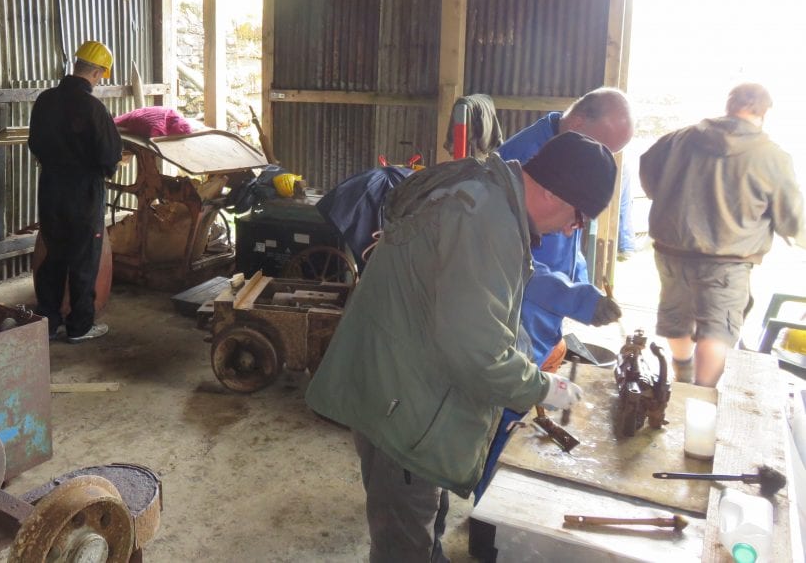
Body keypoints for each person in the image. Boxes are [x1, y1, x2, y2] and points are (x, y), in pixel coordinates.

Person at [305, 131, 618, 562]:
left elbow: (483, 303)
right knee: (403, 541)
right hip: (404, 405)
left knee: (423, 518)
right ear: (551, 190)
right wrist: (538, 387)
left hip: (401, 385)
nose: (572, 229)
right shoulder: (485, 219)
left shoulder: (490, 195)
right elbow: (477, 350)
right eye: (578, 217)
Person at [469, 88, 632, 503]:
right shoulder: (521, 165)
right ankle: (490, 514)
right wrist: (576, 298)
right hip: (516, 316)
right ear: (578, 126)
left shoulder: (570, 154)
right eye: (606, 146)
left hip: (545, 318)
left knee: (517, 421)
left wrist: (581, 284)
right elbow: (511, 260)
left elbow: (566, 244)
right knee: (503, 419)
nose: (606, 158)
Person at [640, 83, 805, 387]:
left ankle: (683, 372)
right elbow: (790, 217)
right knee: (717, 329)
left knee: (676, 314)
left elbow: (647, 167)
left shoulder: (680, 138)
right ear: (764, 112)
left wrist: (664, 199)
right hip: (728, 259)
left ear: (729, 106)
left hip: (672, 250)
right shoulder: (771, 156)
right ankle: (700, 394)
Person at [28, 41, 122, 343]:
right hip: (83, 194)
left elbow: (35, 145)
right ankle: (80, 327)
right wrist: (106, 168)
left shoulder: (44, 101)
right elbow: (109, 155)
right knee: (83, 259)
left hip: (51, 189)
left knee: (54, 255)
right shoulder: (93, 108)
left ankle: (49, 320)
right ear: (96, 72)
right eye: (100, 76)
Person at [114, 106, 194, 138]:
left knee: (114, 122)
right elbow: (153, 133)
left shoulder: (173, 113)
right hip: (138, 119)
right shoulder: (156, 128)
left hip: (137, 113)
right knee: (113, 124)